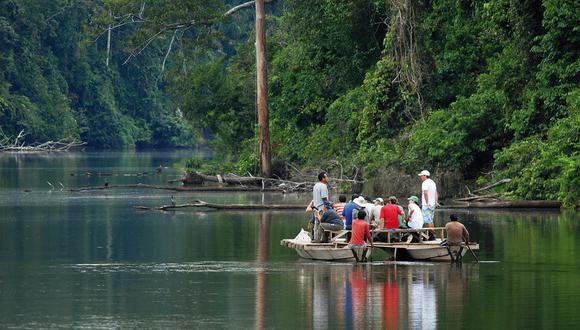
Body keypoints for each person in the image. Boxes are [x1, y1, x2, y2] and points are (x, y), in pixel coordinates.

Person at [418, 170, 438, 238]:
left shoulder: (425, 183)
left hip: (427, 205)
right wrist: (436, 202)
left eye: (421, 176)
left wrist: (427, 203)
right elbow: (435, 193)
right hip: (432, 204)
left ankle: (432, 236)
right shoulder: (433, 182)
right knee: (430, 220)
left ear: (425, 176)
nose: (420, 177)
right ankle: (431, 235)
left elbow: (425, 193)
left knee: (427, 221)